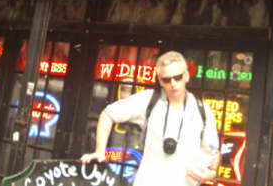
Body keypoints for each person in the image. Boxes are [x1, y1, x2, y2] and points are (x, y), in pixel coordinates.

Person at [81, 51, 221, 186]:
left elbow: (213, 151)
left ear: (186, 76)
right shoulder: (148, 99)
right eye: (166, 79)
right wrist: (100, 151)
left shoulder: (203, 111)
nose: (173, 83)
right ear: (160, 80)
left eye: (177, 77)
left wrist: (211, 174)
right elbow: (108, 114)